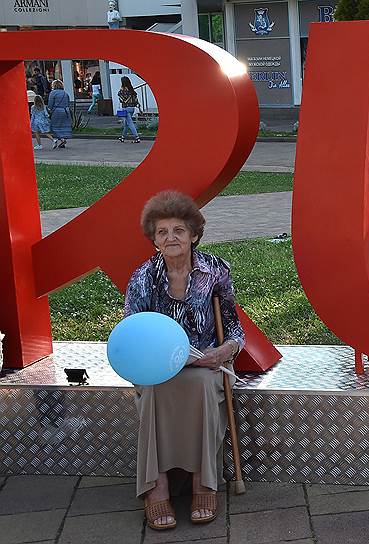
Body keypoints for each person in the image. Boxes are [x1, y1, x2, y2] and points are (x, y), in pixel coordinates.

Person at [123, 190, 244, 531]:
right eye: (162, 232)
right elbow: (133, 332)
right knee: (155, 388)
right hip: (157, 366)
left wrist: (225, 350)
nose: (170, 237)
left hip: (206, 362)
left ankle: (203, 483)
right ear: (154, 239)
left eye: (178, 230)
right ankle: (156, 485)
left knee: (203, 385)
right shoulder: (143, 276)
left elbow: (234, 326)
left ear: (193, 234)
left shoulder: (215, 270)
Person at [47, 79, 72, 149]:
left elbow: (50, 105)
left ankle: (62, 139)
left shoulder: (53, 93)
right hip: (66, 111)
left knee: (55, 127)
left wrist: (48, 111)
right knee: (64, 126)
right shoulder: (65, 93)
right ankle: (63, 140)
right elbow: (68, 103)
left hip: (57, 112)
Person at [118, 76, 141, 143]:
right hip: (132, 109)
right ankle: (123, 137)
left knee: (130, 123)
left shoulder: (122, 91)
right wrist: (139, 107)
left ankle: (137, 138)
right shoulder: (131, 90)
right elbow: (136, 100)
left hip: (126, 109)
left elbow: (121, 100)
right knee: (126, 124)